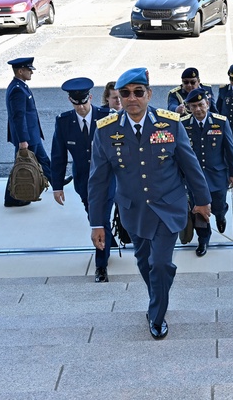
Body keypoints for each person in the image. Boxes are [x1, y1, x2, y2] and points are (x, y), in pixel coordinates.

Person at [87, 67, 211, 340]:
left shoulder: (170, 123)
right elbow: (98, 181)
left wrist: (203, 202)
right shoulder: (106, 132)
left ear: (148, 94)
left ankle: (157, 314)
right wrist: (98, 223)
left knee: (161, 264)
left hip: (169, 208)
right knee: (145, 262)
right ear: (118, 97)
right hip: (134, 211)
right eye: (125, 93)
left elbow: (190, 167)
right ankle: (158, 294)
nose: (132, 98)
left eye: (138, 92)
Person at [51, 77, 115, 282]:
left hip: (108, 180)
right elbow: (58, 156)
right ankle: (108, 241)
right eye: (76, 104)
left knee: (100, 220)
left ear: (91, 98)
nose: (81, 108)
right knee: (93, 216)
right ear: (71, 101)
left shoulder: (107, 117)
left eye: (84, 102)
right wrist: (57, 186)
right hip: (84, 182)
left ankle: (101, 266)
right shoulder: (63, 122)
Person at [182, 87, 233, 256]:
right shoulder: (184, 124)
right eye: (193, 106)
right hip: (194, 179)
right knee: (199, 210)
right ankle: (203, 239)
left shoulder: (220, 121)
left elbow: (230, 149)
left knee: (218, 206)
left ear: (207, 103)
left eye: (200, 105)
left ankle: (221, 215)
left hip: (217, 176)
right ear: (189, 108)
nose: (198, 109)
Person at [5, 57, 50, 207]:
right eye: (29, 69)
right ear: (20, 71)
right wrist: (23, 140)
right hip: (27, 137)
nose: (31, 72)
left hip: (33, 134)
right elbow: (19, 116)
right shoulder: (17, 89)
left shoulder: (20, 86)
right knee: (21, 166)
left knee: (43, 160)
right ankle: (12, 198)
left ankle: (57, 181)